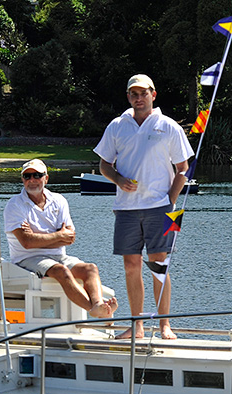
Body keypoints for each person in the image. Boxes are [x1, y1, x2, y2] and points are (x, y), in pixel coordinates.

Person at [95, 73, 194, 339]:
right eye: (134, 94)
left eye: (143, 93)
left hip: (162, 208)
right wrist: (118, 179)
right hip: (125, 208)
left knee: (159, 265)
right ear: (129, 97)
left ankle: (164, 325)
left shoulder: (169, 126)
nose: (139, 98)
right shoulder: (117, 125)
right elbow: (104, 164)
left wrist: (170, 200)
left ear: (153, 95)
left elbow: (183, 168)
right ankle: (137, 325)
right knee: (131, 266)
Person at [3, 159, 117, 319]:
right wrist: (58, 235)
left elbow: (70, 238)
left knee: (90, 268)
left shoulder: (59, 200)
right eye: (27, 176)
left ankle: (98, 304)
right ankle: (94, 309)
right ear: (22, 179)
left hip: (58, 256)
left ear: (46, 178)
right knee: (61, 271)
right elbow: (27, 243)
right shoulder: (14, 205)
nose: (32, 180)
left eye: (37, 175)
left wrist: (38, 237)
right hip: (27, 259)